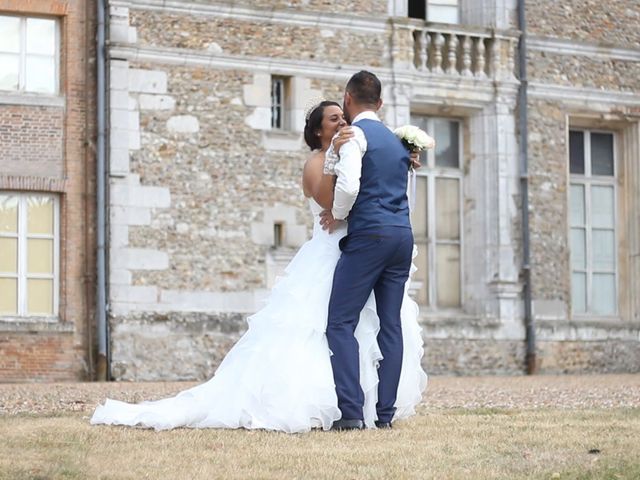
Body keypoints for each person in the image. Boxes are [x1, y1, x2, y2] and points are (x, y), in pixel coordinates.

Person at [90, 99, 427, 433]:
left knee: (361, 329)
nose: (341, 123)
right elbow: (331, 203)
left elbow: (370, 184)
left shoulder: (354, 150)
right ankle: (322, 405)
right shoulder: (316, 162)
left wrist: (403, 159)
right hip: (331, 253)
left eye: (342, 117)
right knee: (321, 327)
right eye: (333, 119)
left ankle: (366, 407)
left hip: (360, 250)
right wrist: (338, 167)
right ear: (317, 130)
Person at [322, 71, 415, 431]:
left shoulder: (354, 135)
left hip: (370, 234)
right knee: (390, 324)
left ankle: (351, 413)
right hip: (402, 234)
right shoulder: (397, 142)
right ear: (380, 103)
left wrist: (339, 214)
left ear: (347, 98)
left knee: (340, 321)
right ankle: (386, 415)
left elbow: (348, 184)